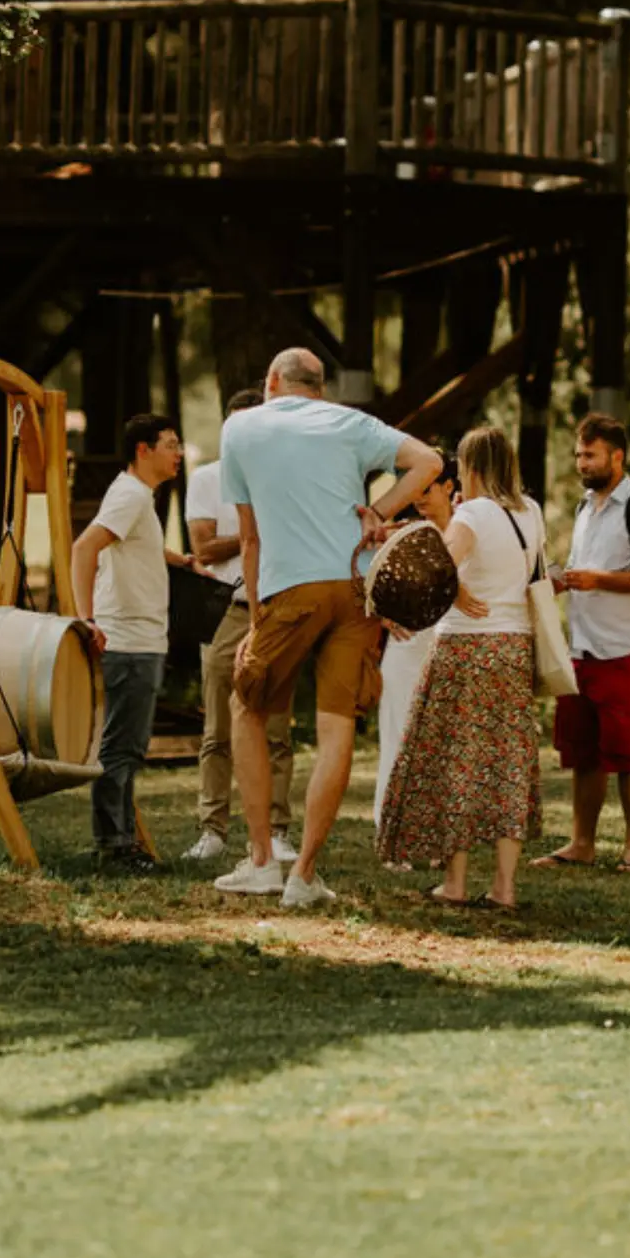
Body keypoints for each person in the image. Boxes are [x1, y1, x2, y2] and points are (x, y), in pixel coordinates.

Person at [212, 347, 442, 909]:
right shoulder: (351, 422)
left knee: (247, 707)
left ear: (272, 380)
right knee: (336, 730)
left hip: (291, 588)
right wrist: (380, 511)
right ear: (319, 386)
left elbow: (250, 539)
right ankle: (304, 874)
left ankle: (262, 861)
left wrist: (257, 619)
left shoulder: (240, 427)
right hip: (357, 588)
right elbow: (429, 461)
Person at [377, 427, 545, 910]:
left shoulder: (472, 514)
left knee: (457, 760)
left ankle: (455, 882)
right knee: (508, 764)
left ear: (470, 468)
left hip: (465, 647)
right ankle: (505, 887)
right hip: (513, 647)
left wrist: (456, 590)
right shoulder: (530, 512)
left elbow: (435, 570)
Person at [535, 412, 630, 874]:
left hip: (623, 650)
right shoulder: (584, 508)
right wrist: (559, 582)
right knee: (584, 755)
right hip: (580, 650)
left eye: (590, 455)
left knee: (628, 754)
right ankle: (582, 844)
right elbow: (581, 568)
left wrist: (598, 580)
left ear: (617, 457)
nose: (582, 463)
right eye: (578, 455)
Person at [71, 412, 192, 872]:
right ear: (144, 450)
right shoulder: (130, 494)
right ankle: (114, 848)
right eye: (171, 444)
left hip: (142, 640)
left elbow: (134, 543)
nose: (178, 453)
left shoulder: (138, 496)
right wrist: (86, 619)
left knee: (128, 747)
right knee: (121, 748)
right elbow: (84, 548)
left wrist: (180, 560)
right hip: (128, 641)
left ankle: (121, 843)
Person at [183, 388, 297, 865]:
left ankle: (278, 830)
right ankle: (212, 828)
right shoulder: (207, 478)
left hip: (277, 607)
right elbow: (204, 549)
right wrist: (253, 533)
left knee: (277, 729)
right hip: (226, 609)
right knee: (218, 728)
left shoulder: (287, 479)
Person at [374, 450, 461, 839]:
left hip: (453, 648)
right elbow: (364, 579)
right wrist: (382, 614)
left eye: (426, 488)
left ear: (449, 486)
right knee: (397, 736)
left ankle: (436, 831)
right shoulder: (403, 534)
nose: (418, 497)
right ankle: (391, 829)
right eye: (413, 490)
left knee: (444, 744)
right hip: (407, 648)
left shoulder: (470, 529)